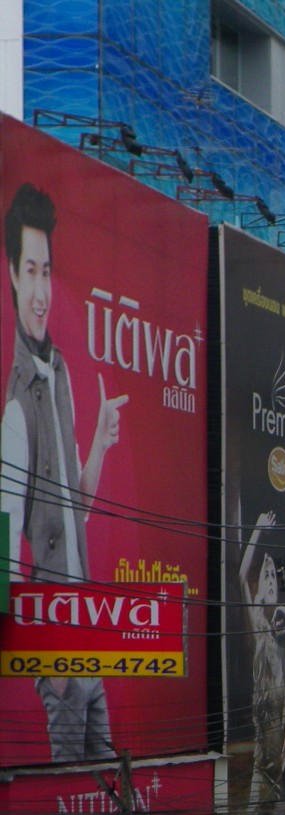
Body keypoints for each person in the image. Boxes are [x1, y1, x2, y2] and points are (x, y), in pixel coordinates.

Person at [2, 182, 123, 762]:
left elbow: (75, 511)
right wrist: (39, 659)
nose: (43, 289)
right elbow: (3, 547)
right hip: (57, 648)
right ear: (13, 278)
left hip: (88, 639)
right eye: (32, 270)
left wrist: (98, 441)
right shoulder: (15, 411)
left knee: (112, 805)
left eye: (49, 270)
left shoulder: (64, 376)